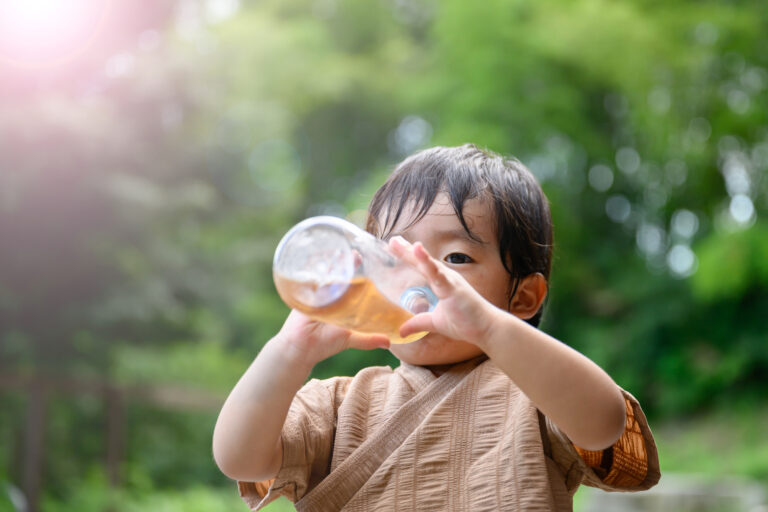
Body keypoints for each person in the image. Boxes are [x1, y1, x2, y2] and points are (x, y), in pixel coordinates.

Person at [212, 144, 660, 511]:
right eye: (395, 256)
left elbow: (604, 423)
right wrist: (290, 351)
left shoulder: (536, 394)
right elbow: (240, 458)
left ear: (522, 298)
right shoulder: (336, 405)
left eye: (456, 258)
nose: (421, 276)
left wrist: (488, 328)